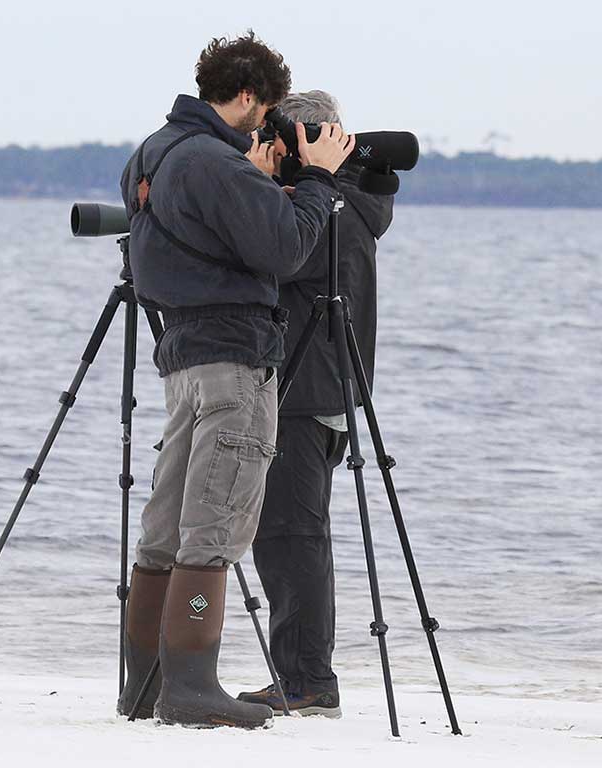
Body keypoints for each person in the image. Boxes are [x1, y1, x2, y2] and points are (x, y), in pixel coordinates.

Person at [116, 35, 355, 730]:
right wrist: (318, 181)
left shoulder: (152, 153)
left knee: (166, 524)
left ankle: (144, 687)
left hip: (183, 356)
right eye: (267, 108)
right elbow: (287, 248)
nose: (267, 125)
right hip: (235, 359)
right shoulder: (216, 162)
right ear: (248, 95)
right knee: (215, 523)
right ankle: (191, 686)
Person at [237, 91, 394, 717]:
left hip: (306, 392)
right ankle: (302, 676)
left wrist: (255, 188)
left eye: (276, 139)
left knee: (289, 535)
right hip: (324, 389)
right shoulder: (348, 202)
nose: (268, 148)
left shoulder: (328, 210)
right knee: (294, 533)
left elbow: (273, 257)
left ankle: (307, 682)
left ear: (302, 142)